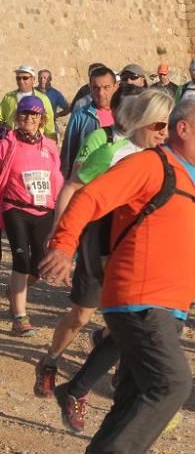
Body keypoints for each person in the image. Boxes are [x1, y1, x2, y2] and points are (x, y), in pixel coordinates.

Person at [39, 98, 195, 453]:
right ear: (182, 129)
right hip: (140, 299)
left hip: (168, 305)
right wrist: (63, 244)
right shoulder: (149, 164)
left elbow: (194, 241)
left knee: (133, 400)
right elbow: (89, 197)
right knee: (172, 383)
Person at [35, 89, 173, 430]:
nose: (164, 133)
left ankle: (97, 386)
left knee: (129, 321)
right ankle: (51, 361)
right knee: (82, 315)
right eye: (159, 124)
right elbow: (73, 187)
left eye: (168, 126)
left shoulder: (164, 159)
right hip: (98, 242)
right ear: (140, 121)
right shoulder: (114, 152)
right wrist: (60, 237)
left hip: (133, 250)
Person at [0, 96, 63, 336]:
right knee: (21, 261)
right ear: (18, 117)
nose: (29, 118)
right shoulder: (8, 143)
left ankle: (13, 292)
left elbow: (56, 178)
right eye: (24, 114)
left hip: (43, 210)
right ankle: (20, 318)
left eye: (34, 114)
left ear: (42, 119)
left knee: (39, 266)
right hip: (14, 208)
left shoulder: (49, 145)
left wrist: (60, 208)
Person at [59, 65, 118, 177]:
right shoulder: (80, 116)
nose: (101, 93)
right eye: (96, 88)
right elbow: (68, 153)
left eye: (106, 87)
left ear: (115, 87)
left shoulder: (125, 115)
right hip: (87, 182)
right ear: (90, 88)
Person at [1, 65, 57, 139]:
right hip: (12, 143)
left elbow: (49, 126)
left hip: (35, 143)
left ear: (33, 79)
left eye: (25, 78)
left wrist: (51, 144)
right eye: (18, 78)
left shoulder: (43, 99)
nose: (21, 81)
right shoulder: (8, 97)